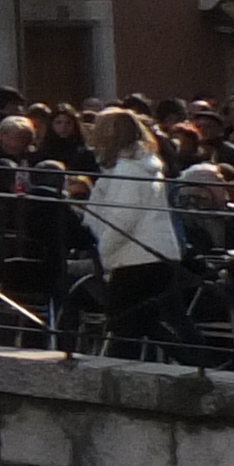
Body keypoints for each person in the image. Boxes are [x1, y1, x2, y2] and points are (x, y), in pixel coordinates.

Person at [80, 105, 184, 357]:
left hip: (136, 257)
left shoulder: (130, 171)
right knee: (143, 323)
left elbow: (122, 218)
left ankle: (196, 360)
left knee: (126, 324)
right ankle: (197, 360)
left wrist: (104, 254)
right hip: (148, 255)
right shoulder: (135, 167)